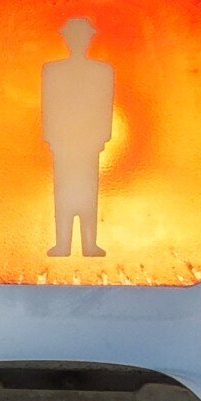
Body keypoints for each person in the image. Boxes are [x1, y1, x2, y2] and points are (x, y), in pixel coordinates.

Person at [42, 17, 115, 257]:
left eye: (83, 37)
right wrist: (51, 137)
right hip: (63, 141)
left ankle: (89, 244)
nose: (78, 41)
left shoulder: (102, 71)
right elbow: (49, 104)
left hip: (88, 142)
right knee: (64, 191)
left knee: (88, 192)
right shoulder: (53, 71)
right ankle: (62, 244)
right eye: (73, 36)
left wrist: (102, 137)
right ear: (66, 39)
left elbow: (105, 105)